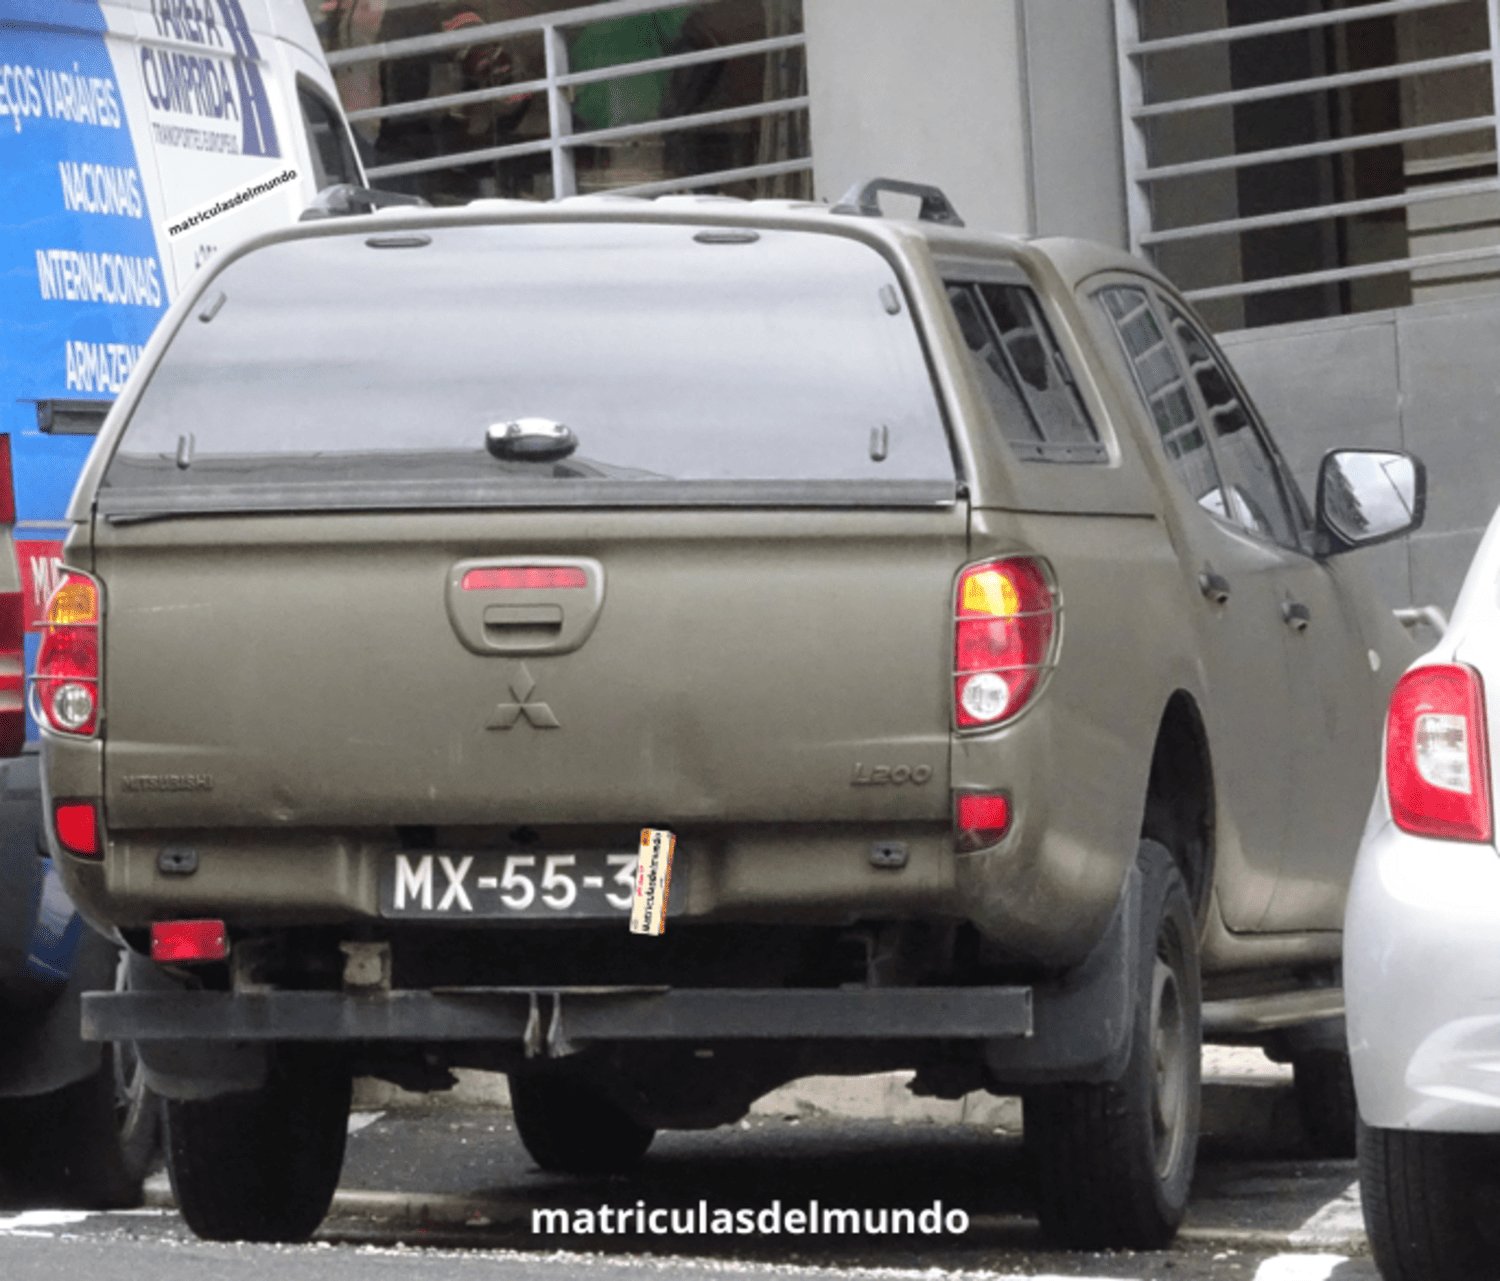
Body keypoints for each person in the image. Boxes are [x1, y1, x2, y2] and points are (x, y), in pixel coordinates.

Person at [316, 0, 532, 200]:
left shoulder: (432, 14)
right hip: (365, 135)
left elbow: (496, 69)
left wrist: (487, 65)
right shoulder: (335, 19)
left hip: (411, 140)